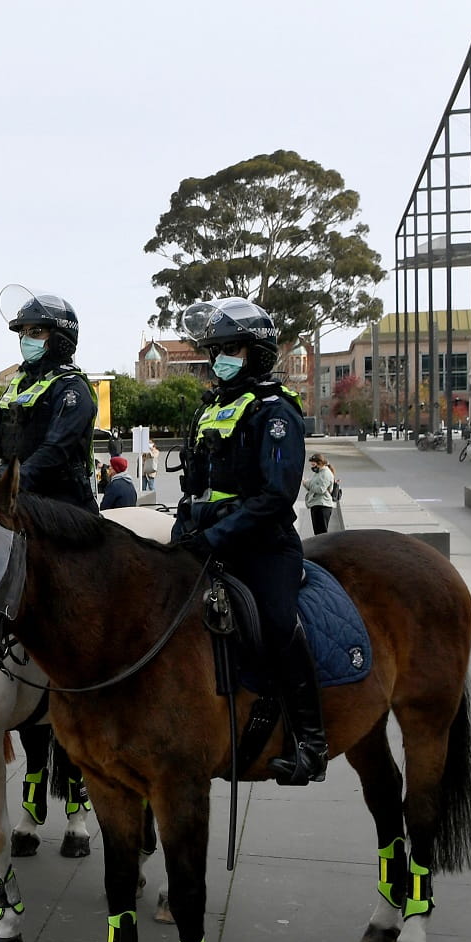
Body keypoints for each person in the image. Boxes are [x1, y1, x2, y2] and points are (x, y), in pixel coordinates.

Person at [170, 297, 322, 785]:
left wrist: (213, 534)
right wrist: (185, 528)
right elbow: (196, 485)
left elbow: (276, 497)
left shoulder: (276, 412)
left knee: (278, 623)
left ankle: (310, 740)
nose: (219, 360)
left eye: (230, 349)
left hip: (262, 545)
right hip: (206, 540)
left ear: (256, 352)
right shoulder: (211, 409)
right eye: (214, 351)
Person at [0, 290, 97, 511]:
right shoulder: (21, 382)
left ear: (59, 338)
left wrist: (11, 484)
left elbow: (55, 449)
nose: (26, 339)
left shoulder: (72, 387)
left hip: (63, 503)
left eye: (35, 332)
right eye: (22, 333)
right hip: (17, 498)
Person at [304, 453, 337, 536]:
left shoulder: (326, 473)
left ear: (320, 463)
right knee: (317, 533)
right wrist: (305, 483)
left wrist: (308, 483)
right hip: (316, 504)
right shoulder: (319, 472)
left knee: (322, 534)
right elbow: (313, 486)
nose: (312, 466)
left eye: (313, 464)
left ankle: (325, 549)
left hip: (323, 506)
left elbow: (320, 489)